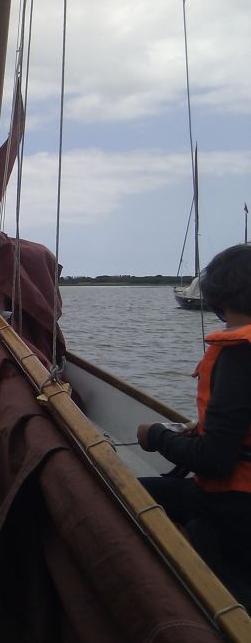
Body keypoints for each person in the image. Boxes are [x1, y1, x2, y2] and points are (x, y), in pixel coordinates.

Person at [137, 243, 251, 608]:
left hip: (234, 507)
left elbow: (215, 461)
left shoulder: (238, 355)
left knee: (116, 492)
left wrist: (156, 436)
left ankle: (205, 557)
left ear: (219, 297)